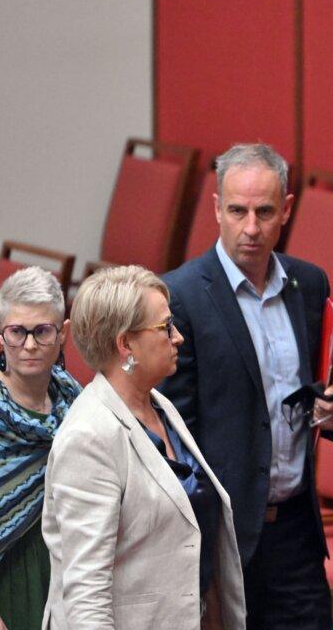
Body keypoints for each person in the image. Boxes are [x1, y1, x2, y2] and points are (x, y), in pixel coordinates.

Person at [160, 144, 333, 629]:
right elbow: (176, 431)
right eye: (237, 211)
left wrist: (329, 413)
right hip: (222, 537)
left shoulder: (308, 284)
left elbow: (310, 388)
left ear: (286, 210)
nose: (250, 228)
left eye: (265, 212)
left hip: (296, 533)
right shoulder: (180, 296)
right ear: (216, 208)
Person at [41, 265, 245, 629]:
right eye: (165, 327)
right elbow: (86, 594)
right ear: (125, 344)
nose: (178, 336)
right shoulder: (88, 437)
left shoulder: (159, 406)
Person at [0, 267, 81, 630]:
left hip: (55, 581)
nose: (28, 345)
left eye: (42, 331)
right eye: (17, 332)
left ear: (63, 333)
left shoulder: (76, 408)